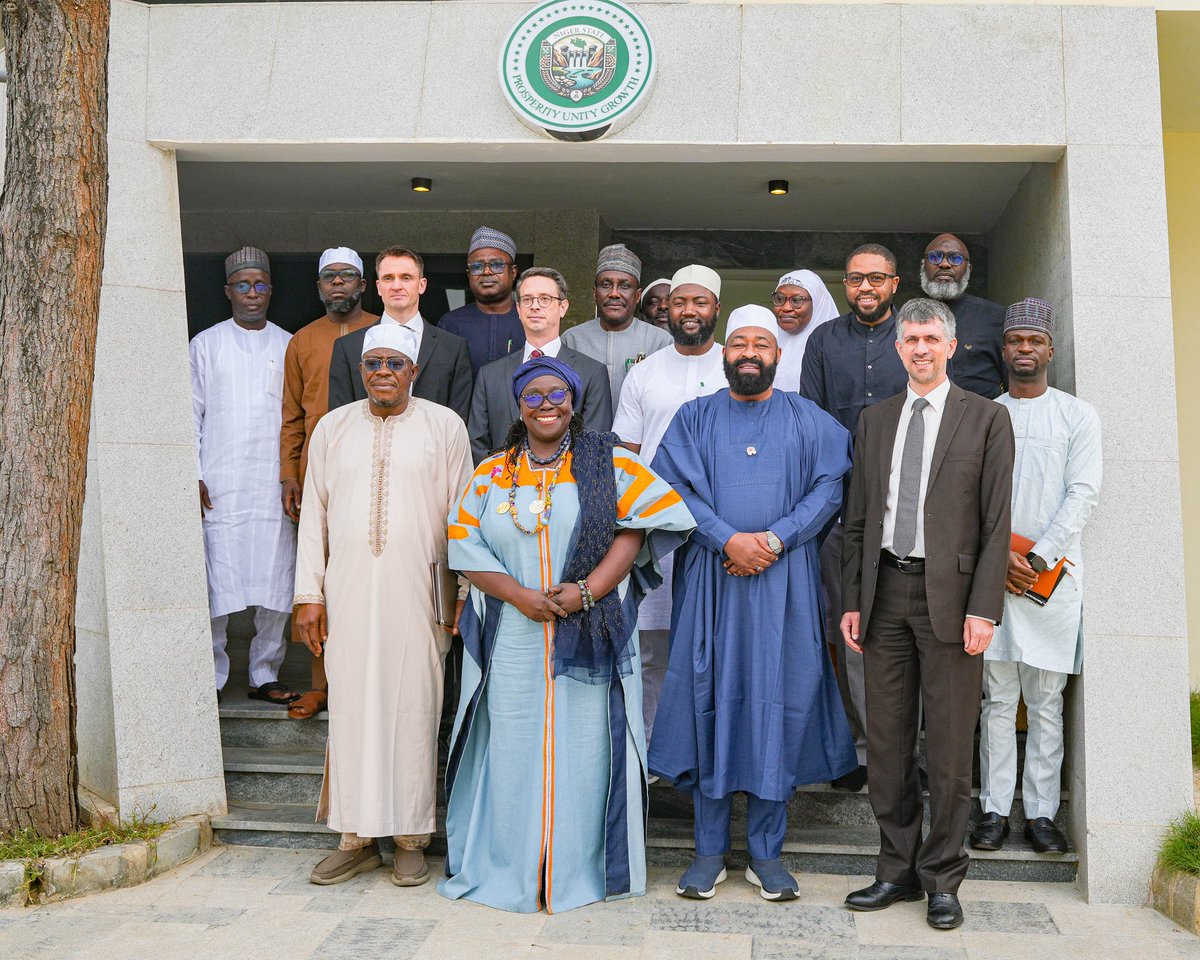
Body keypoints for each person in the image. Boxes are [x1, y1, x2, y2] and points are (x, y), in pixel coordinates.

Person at [440, 356, 694, 913]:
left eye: (558, 394)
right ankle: (512, 869)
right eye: (534, 396)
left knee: (588, 755)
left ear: (574, 403)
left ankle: (582, 871)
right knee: (511, 751)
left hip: (592, 635)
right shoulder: (490, 474)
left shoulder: (607, 463)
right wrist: (519, 595)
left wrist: (590, 590)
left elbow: (640, 524)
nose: (547, 404)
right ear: (519, 406)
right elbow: (463, 547)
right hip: (512, 637)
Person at [648, 305, 856, 902]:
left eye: (760, 345)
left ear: (777, 355)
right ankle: (708, 853)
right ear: (723, 354)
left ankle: (767, 854)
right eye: (738, 343)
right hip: (712, 582)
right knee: (709, 700)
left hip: (784, 587)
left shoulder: (807, 418)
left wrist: (774, 538)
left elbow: (829, 488)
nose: (748, 353)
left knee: (777, 702)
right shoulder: (693, 418)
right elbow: (674, 490)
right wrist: (727, 539)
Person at [840, 297, 1014, 930]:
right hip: (884, 595)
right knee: (886, 744)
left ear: (950, 345)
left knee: (945, 748)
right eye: (909, 339)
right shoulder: (875, 419)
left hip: (953, 603)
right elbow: (857, 517)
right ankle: (895, 870)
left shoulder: (987, 419)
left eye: (928, 339)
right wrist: (853, 599)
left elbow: (996, 525)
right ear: (898, 348)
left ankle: (943, 877)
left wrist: (985, 609)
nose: (918, 348)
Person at [294, 323, 472, 888]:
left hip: (421, 596)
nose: (383, 374)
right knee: (350, 709)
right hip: (346, 595)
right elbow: (313, 521)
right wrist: (308, 595)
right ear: (361, 370)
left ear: (414, 371)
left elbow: (464, 517)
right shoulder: (331, 428)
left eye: (395, 363)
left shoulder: (445, 426)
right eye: (374, 364)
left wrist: (464, 593)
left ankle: (409, 837)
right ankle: (355, 836)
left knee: (416, 707)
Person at [970, 298, 1101, 855]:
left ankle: (1042, 815)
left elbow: (1083, 493)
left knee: (1046, 702)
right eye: (1016, 341)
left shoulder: (1077, 415)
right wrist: (997, 559)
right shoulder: (984, 414)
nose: (1025, 349)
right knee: (996, 700)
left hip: (1052, 579)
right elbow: (966, 500)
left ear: (1050, 350)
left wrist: (1040, 557)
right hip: (992, 577)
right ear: (1004, 351)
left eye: (1034, 341)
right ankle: (994, 811)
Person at [800, 244, 909, 791]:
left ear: (894, 283)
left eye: (875, 279)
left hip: (907, 506)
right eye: (855, 279)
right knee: (849, 629)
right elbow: (814, 424)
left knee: (909, 629)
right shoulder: (823, 342)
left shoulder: (915, 336)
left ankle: (909, 755)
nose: (865, 288)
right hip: (842, 508)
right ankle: (862, 750)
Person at [611, 264, 726, 748]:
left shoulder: (735, 363)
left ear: (716, 308)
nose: (689, 311)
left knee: (717, 640)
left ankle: (712, 747)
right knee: (652, 643)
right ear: (666, 309)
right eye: (680, 302)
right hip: (655, 527)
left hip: (721, 529)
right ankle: (653, 747)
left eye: (699, 302)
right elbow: (625, 455)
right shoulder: (645, 372)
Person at [190, 246, 298, 704]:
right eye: (242, 285)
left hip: (274, 485)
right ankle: (210, 677)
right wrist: (191, 474)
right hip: (221, 484)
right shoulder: (205, 344)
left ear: (270, 291)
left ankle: (264, 673)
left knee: (277, 580)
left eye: (259, 285)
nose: (251, 294)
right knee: (217, 582)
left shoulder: (290, 344)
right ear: (228, 291)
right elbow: (188, 414)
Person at [279, 247, 379, 720]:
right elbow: (292, 418)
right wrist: (289, 474)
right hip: (319, 477)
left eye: (347, 276)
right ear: (319, 287)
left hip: (375, 468)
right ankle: (321, 685)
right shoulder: (302, 340)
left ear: (363, 284)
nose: (338, 284)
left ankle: (367, 683)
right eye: (329, 277)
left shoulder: (384, 334)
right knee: (318, 581)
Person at [467, 267, 613, 463]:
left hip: (568, 487)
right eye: (527, 299)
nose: (535, 306)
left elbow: (594, 443)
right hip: (502, 486)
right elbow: (477, 443)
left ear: (563, 307)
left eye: (545, 299)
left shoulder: (592, 372)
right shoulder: (489, 375)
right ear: (518, 310)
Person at [327, 246, 473, 419]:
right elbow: (340, 418)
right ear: (379, 287)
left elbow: (458, 419)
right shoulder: (348, 347)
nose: (397, 286)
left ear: (421, 285)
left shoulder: (453, 348)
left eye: (406, 277)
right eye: (388, 278)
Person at [562, 244, 672, 399]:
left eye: (625, 286)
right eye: (606, 285)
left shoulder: (660, 341)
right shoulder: (572, 339)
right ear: (595, 293)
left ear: (637, 296)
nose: (614, 294)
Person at [920, 233, 1006, 399]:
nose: (944, 264)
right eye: (935, 257)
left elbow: (1013, 385)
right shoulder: (907, 318)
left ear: (968, 268)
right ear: (924, 266)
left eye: (955, 258)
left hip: (981, 421)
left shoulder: (995, 317)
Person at [438, 226, 526, 376]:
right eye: (477, 266)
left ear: (513, 272)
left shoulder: (530, 320)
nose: (486, 272)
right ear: (468, 274)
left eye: (497, 265)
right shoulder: (450, 324)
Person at [770, 269, 839, 392]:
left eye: (797, 300)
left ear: (817, 304)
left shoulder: (835, 349)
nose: (786, 308)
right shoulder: (763, 344)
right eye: (780, 299)